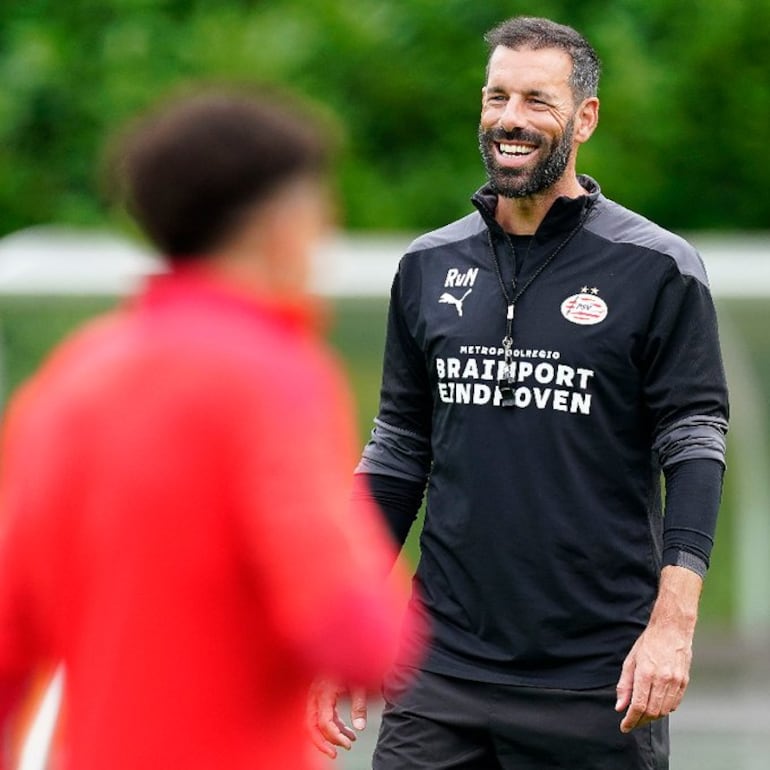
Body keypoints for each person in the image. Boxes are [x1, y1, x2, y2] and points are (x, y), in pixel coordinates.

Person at [310, 16, 729, 770]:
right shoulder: (428, 267)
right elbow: (400, 452)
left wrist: (674, 622)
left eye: (538, 100)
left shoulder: (658, 269)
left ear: (585, 118)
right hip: (437, 672)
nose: (511, 120)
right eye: (497, 97)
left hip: (598, 682)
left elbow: (694, 443)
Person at [0, 89, 418, 770]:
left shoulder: (72, 380)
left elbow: (10, 638)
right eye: (318, 205)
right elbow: (353, 634)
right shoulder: (273, 376)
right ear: (275, 222)